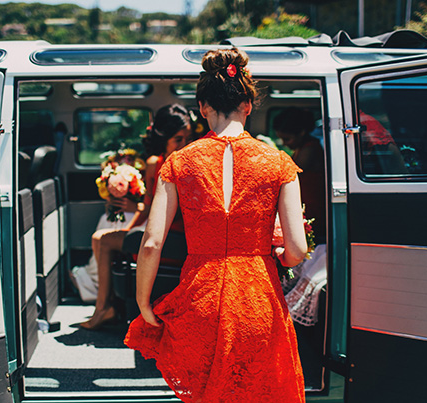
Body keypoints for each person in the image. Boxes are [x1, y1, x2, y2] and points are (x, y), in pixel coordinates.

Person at [125, 48, 307, 402]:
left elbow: (150, 243)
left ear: (203, 107)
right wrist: (281, 256)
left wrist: (143, 302)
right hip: (258, 300)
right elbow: (298, 250)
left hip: (201, 299)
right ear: (248, 105)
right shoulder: (279, 163)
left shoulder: (178, 162)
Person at [78, 104, 192, 330]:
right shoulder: (154, 164)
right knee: (101, 237)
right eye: (178, 140)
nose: (185, 145)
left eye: (188, 139)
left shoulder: (187, 166)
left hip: (177, 240)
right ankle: (109, 305)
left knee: (105, 240)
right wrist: (128, 231)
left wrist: (129, 235)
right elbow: (148, 207)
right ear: (163, 140)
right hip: (161, 235)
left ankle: (103, 309)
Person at [272, 107, 326, 243]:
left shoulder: (310, 149)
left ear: (301, 133)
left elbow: (290, 172)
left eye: (287, 139)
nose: (284, 143)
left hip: (312, 207)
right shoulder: (301, 148)